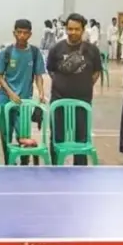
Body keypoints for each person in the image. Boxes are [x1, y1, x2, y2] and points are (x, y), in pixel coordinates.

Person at [46, 13, 102, 166]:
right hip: (58, 100)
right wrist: (62, 84)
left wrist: (85, 84)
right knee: (57, 137)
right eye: (70, 29)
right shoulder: (56, 49)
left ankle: (80, 170)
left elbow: (96, 72)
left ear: (83, 30)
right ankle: (56, 168)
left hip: (83, 101)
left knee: (81, 138)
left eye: (77, 29)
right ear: (66, 29)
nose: (73, 32)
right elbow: (51, 70)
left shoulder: (92, 50)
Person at [0, 19, 47, 164]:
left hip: (24, 101)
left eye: (25, 33)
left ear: (30, 34)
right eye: (19, 32)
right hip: (5, 99)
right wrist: (10, 93)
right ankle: (9, 162)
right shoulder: (6, 52)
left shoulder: (35, 53)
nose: (22, 35)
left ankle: (24, 162)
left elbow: (38, 76)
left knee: (23, 134)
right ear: (14, 33)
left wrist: (41, 92)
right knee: (5, 133)